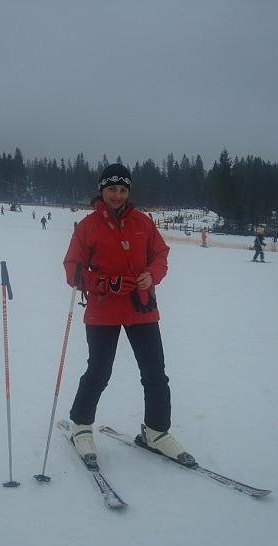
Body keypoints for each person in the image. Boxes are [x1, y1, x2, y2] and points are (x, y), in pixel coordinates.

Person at [63, 163, 195, 467]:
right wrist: (104, 282)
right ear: (102, 190)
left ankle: (156, 432)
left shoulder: (142, 222)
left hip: (141, 307)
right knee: (99, 372)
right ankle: (81, 426)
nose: (117, 195)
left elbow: (160, 255)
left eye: (123, 190)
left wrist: (152, 274)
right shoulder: (87, 227)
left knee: (155, 374)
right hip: (103, 310)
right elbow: (73, 270)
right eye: (112, 189)